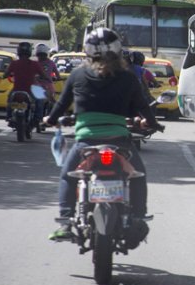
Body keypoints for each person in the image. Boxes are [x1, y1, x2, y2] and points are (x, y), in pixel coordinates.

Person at [43, 28, 163, 240]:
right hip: (119, 142)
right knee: (138, 176)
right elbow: (143, 107)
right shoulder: (127, 77)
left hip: (85, 143)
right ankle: (137, 216)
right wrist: (152, 124)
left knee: (67, 177)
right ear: (117, 50)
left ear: (87, 51)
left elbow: (61, 105)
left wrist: (49, 120)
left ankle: (66, 222)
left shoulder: (77, 74)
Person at [3, 42, 49, 125]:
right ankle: (37, 119)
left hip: (17, 89)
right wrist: (48, 78)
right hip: (31, 89)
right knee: (40, 100)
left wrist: (6, 75)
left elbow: (5, 75)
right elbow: (44, 75)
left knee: (10, 99)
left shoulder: (14, 63)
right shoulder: (35, 64)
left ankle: (9, 116)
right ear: (29, 52)